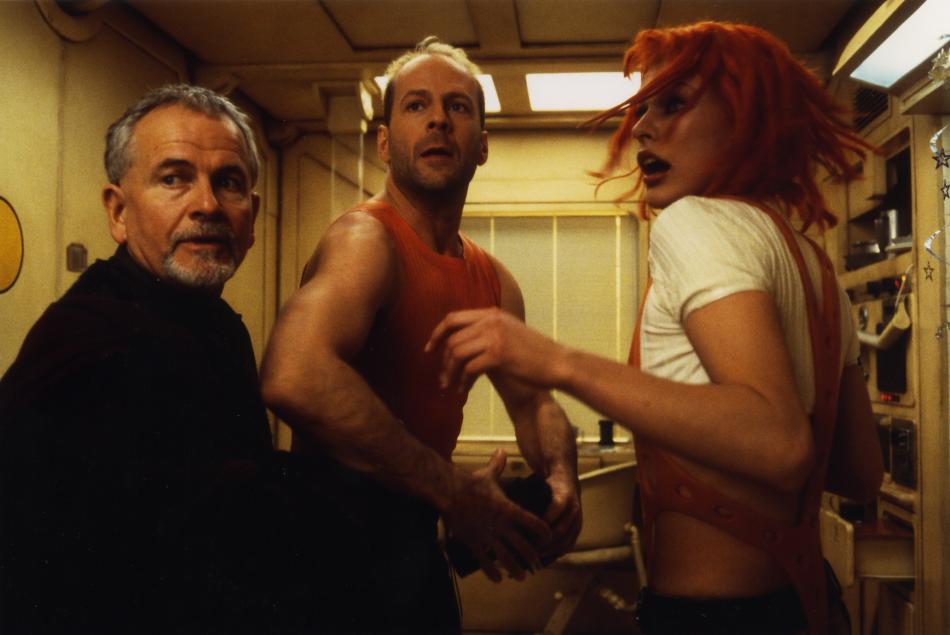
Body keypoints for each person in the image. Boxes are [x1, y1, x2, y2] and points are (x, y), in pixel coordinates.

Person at [426, 22, 884, 635]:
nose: (642, 127)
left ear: (745, 117)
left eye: (672, 104)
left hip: (715, 620)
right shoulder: (814, 265)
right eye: (642, 108)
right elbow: (858, 471)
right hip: (804, 605)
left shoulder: (695, 224)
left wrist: (558, 360)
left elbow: (780, 443)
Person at [261, 36, 582, 633]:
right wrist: (455, 492)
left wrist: (563, 476)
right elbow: (293, 374)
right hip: (329, 551)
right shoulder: (366, 242)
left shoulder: (495, 282)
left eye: (458, 106)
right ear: (385, 143)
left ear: (481, 144)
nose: (438, 119)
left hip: (415, 540)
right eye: (417, 105)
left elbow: (534, 402)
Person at [0, 85, 337, 634]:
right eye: (174, 179)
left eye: (228, 182)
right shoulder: (88, 340)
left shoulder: (213, 323)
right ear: (118, 212)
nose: (207, 204)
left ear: (252, 217)